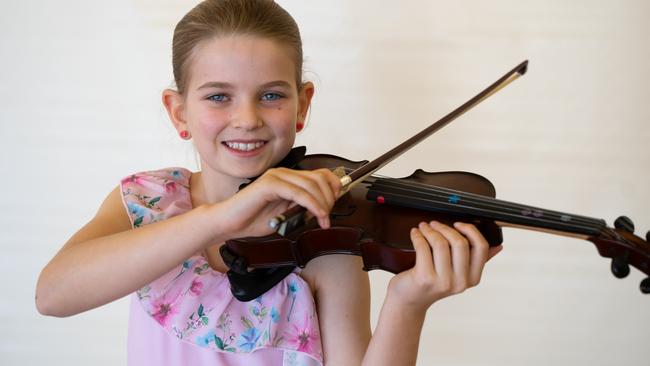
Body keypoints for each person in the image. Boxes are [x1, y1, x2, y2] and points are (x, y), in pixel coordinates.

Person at [35, 0, 502, 365]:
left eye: (272, 95)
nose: (247, 118)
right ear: (179, 112)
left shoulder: (323, 249)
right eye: (219, 95)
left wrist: (407, 304)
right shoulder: (146, 201)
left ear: (302, 105)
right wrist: (218, 219)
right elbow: (52, 296)